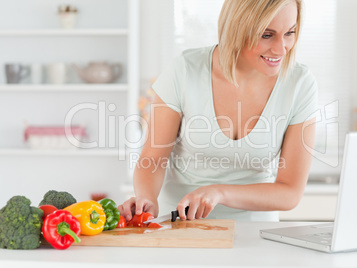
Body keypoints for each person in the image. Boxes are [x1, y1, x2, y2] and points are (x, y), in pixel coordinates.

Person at [118, 0, 318, 222]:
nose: (281, 49)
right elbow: (152, 159)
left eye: (290, 33)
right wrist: (147, 199)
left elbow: (289, 192)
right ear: (237, 28)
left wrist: (220, 192)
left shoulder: (299, 83)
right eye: (266, 35)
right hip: (179, 224)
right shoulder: (185, 71)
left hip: (255, 232)